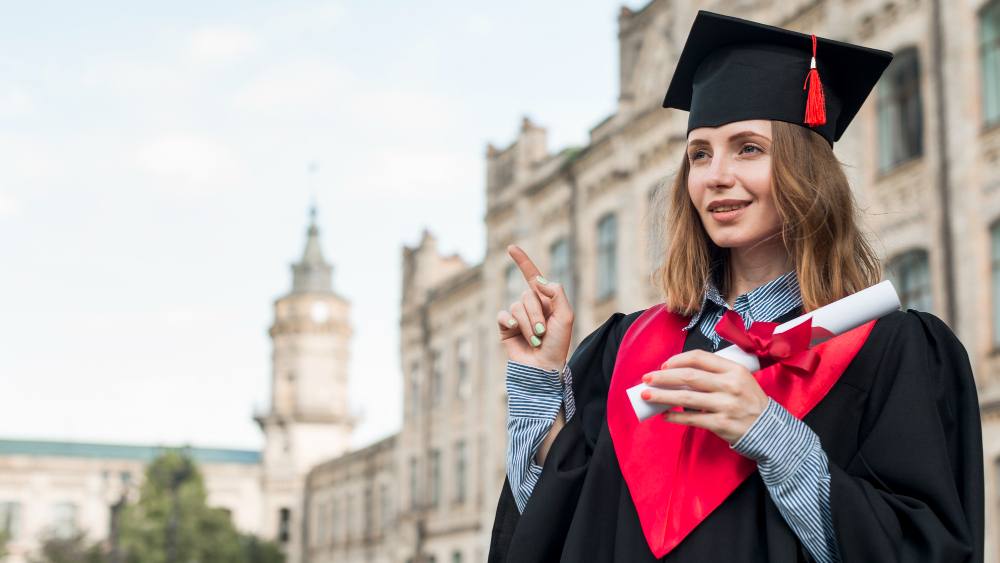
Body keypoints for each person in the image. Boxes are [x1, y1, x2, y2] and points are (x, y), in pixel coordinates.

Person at [489, 10, 984, 563]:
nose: (715, 174)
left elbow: (923, 549)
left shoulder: (888, 350)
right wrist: (537, 377)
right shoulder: (628, 347)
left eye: (748, 148)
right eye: (699, 153)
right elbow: (556, 529)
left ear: (806, 172)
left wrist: (770, 434)